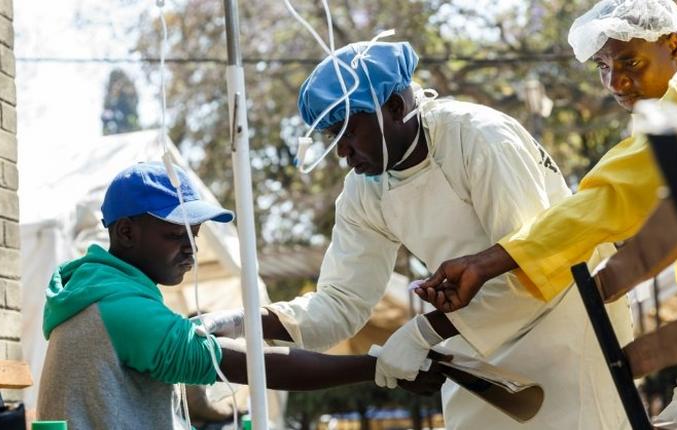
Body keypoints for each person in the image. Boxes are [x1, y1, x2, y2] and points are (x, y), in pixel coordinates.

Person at [204, 40, 633, 429]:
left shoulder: (478, 137)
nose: (341, 151)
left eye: (349, 130)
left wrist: (424, 331)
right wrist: (241, 321)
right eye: (332, 136)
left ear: (393, 106)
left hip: (567, 328)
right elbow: (339, 304)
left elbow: (537, 265)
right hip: (475, 347)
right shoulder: (365, 189)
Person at [417, 0, 677, 428]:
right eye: (603, 67)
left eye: (629, 61)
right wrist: (490, 260)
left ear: (671, 47)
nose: (616, 82)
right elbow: (613, 191)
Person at [36, 162, 444, 430]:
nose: (192, 250)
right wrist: (377, 367)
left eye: (195, 236)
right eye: (177, 235)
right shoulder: (120, 307)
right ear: (125, 233)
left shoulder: (97, 290)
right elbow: (257, 365)